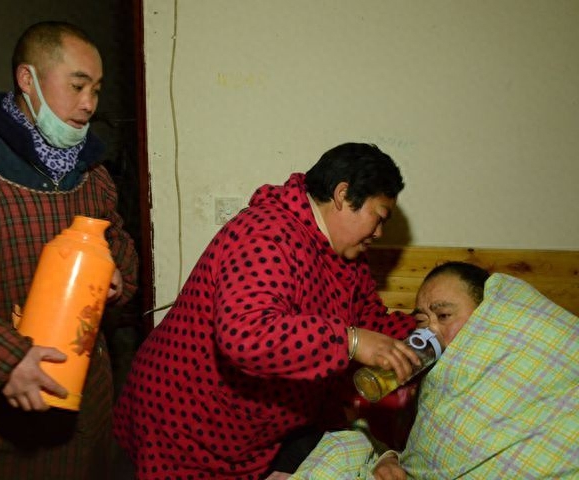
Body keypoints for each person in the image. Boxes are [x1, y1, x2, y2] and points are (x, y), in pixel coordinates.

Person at [113, 142, 420, 479]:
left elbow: (371, 323)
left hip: (247, 433)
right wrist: (350, 342)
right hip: (183, 421)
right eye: (379, 217)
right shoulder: (267, 232)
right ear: (343, 196)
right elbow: (246, 334)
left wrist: (429, 332)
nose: (379, 232)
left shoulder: (348, 259)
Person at [0, 21, 138, 479]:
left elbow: (121, 245)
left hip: (85, 411)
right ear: (27, 79)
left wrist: (116, 275)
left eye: (96, 90)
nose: (89, 104)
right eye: (77, 85)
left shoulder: (93, 173)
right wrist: (2, 360)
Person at [292, 261, 579, 479]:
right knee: (346, 444)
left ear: (489, 316)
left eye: (443, 315)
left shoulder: (530, 354)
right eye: (421, 321)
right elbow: (419, 456)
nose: (429, 332)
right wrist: (387, 458)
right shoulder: (427, 386)